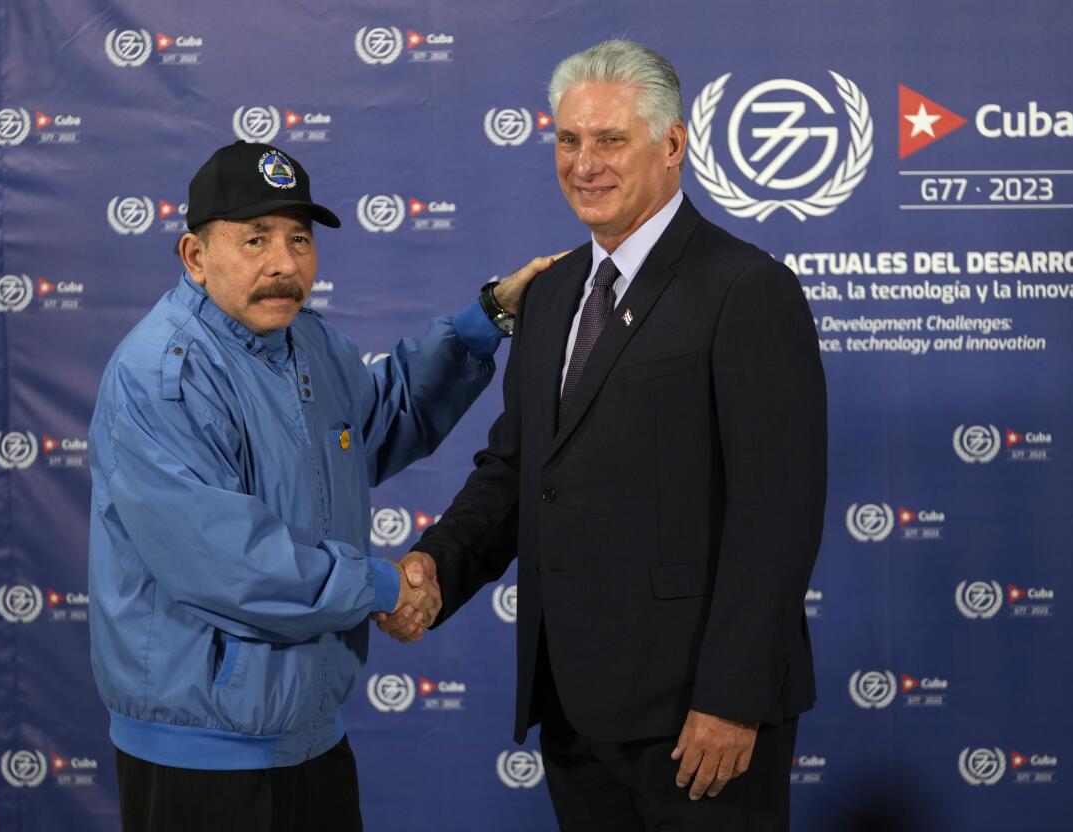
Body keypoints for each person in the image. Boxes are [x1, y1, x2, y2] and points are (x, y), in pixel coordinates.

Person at [380, 39, 827, 830]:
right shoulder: (548, 296)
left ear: (673, 145)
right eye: (568, 140)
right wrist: (438, 566)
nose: (585, 163)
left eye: (610, 140)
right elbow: (518, 470)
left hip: (698, 717)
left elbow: (777, 518)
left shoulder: (747, 289)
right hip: (574, 707)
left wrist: (731, 699)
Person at [87, 139, 555, 831]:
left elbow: (384, 420)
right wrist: (387, 586)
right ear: (195, 256)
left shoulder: (308, 342)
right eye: (255, 239)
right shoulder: (165, 375)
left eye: (298, 239)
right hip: (204, 760)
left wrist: (485, 320)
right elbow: (232, 565)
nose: (283, 264)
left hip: (310, 735)